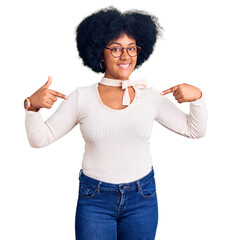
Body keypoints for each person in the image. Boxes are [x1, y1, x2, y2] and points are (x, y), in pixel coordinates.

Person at [24, 6, 208, 240]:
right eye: (116, 49)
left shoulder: (149, 96)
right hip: (95, 201)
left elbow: (195, 130)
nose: (126, 56)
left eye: (131, 48)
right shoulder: (82, 97)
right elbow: (40, 139)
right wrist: (32, 107)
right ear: (100, 54)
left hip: (142, 198)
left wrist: (198, 98)